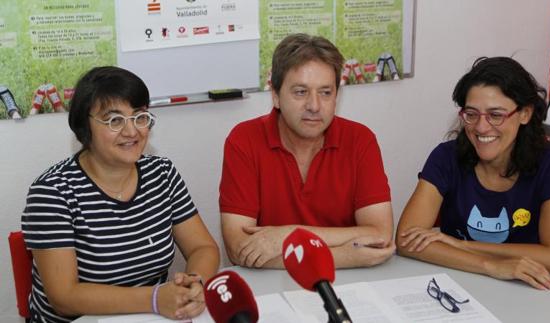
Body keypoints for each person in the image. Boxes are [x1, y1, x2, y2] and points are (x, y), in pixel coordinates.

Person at [21, 66, 220, 322]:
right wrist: (155, 298)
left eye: (139, 117)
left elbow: (203, 247)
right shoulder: (52, 192)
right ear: (84, 127)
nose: (132, 131)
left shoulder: (162, 173)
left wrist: (194, 284)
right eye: (115, 120)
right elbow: (64, 298)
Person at [219, 33, 395, 269]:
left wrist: (288, 235)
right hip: (272, 287)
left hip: (349, 284)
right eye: (301, 92)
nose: (314, 106)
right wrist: (344, 256)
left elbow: (379, 236)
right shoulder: (244, 140)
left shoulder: (360, 140)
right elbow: (240, 250)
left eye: (325, 92)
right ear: (275, 96)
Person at [396, 57, 550, 290]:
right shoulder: (446, 157)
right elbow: (406, 240)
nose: (481, 127)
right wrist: (491, 265)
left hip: (526, 291)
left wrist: (460, 245)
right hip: (457, 283)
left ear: (525, 114)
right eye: (471, 114)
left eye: (496, 115)